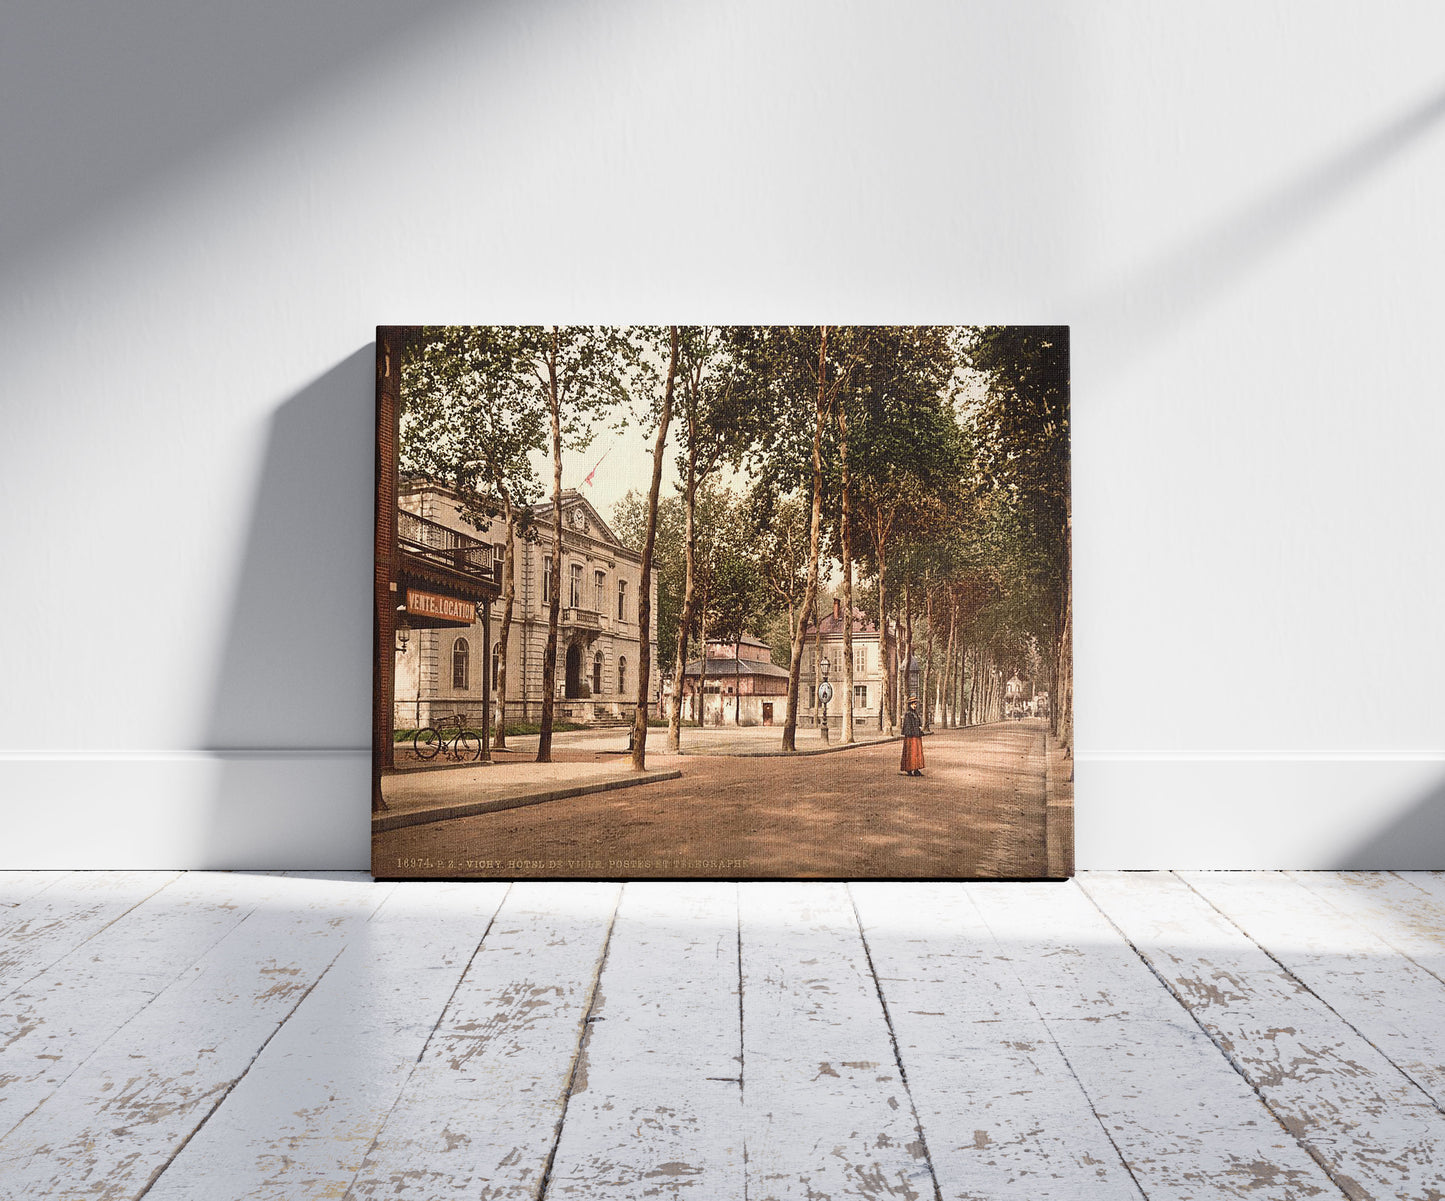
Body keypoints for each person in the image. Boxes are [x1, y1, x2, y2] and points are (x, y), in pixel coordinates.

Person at [900, 696, 924, 776]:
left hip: (916, 736)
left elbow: (918, 724)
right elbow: (907, 726)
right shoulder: (908, 714)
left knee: (917, 753)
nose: (915, 705)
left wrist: (919, 730)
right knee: (911, 753)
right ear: (910, 705)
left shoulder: (915, 713)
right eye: (913, 704)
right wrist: (912, 733)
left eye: (915, 704)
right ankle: (909, 769)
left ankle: (916, 769)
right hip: (911, 737)